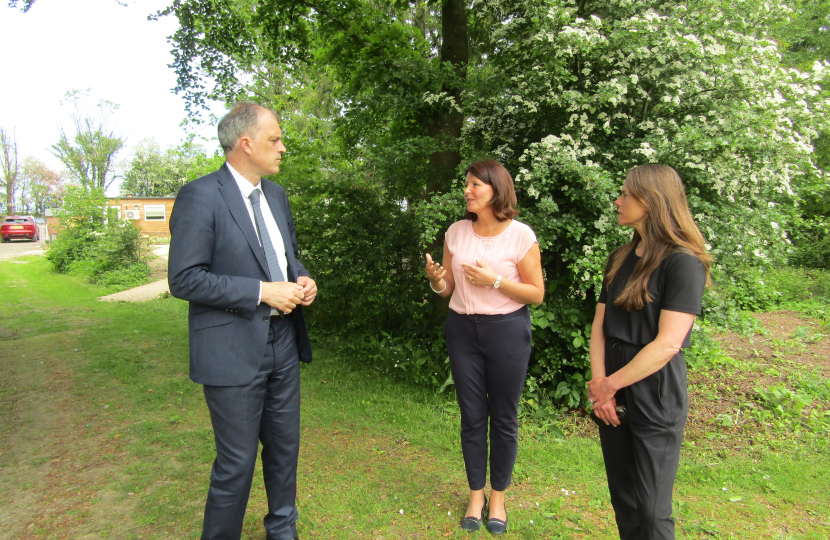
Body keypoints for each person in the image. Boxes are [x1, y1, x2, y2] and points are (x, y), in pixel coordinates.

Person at [168, 102, 317, 540]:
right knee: (235, 464)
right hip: (231, 349)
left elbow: (288, 257)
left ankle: (282, 530)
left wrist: (302, 278)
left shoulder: (276, 196)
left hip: (284, 344)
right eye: (275, 139)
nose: (283, 148)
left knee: (284, 451)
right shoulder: (201, 195)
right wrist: (261, 292)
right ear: (246, 143)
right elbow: (184, 278)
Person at [587, 164, 711, 540]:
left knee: (652, 511)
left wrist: (611, 386)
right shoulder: (620, 257)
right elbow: (599, 327)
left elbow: (669, 343)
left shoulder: (683, 263)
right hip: (612, 383)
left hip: (655, 390)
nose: (617, 200)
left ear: (652, 200)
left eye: (626, 194)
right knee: (624, 501)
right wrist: (600, 384)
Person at [424, 159, 544, 535]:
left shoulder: (520, 235)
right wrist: (436, 281)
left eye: (476, 184)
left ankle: (498, 498)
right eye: (467, 184)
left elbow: (537, 294)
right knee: (472, 416)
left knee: (504, 419)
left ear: (497, 190)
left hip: (507, 331)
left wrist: (496, 281)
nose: (468, 190)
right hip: (462, 329)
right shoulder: (456, 232)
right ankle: (475, 495)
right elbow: (448, 291)